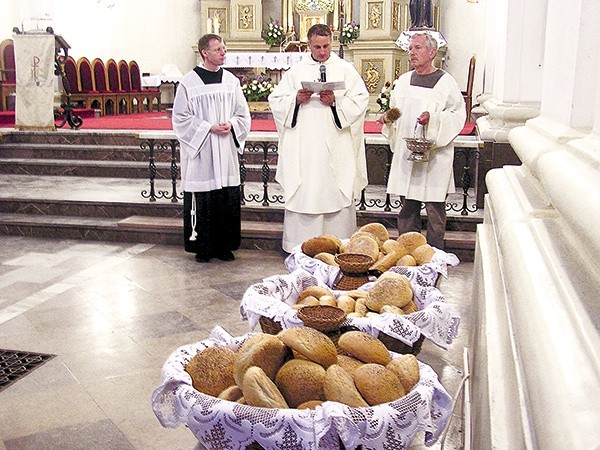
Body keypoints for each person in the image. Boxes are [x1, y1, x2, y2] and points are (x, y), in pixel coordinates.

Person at [268, 23, 369, 253]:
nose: (322, 52)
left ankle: (339, 245)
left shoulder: (345, 69)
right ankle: (300, 247)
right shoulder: (295, 72)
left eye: (326, 46)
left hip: (337, 143)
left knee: (336, 188)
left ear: (331, 42)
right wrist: (296, 99)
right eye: (317, 47)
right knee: (306, 188)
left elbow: (360, 100)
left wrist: (336, 102)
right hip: (305, 146)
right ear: (308, 44)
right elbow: (276, 100)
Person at [378, 32, 465, 250]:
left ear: (432, 52)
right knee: (407, 206)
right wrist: (388, 117)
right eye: (410, 48)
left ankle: (434, 253)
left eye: (417, 48)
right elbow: (398, 110)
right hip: (408, 154)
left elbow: (457, 114)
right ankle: (407, 249)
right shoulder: (405, 80)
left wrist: (433, 119)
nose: (412, 52)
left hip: (434, 157)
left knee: (435, 209)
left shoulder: (446, 83)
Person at [172, 34, 251, 262]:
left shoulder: (231, 80)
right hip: (203, 150)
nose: (223, 53)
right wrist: (208, 127)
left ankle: (224, 246)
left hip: (225, 149)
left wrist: (232, 124)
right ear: (205, 52)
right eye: (218, 49)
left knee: (225, 196)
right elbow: (180, 117)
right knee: (203, 197)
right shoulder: (189, 82)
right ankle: (203, 247)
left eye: (224, 48)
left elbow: (242, 113)